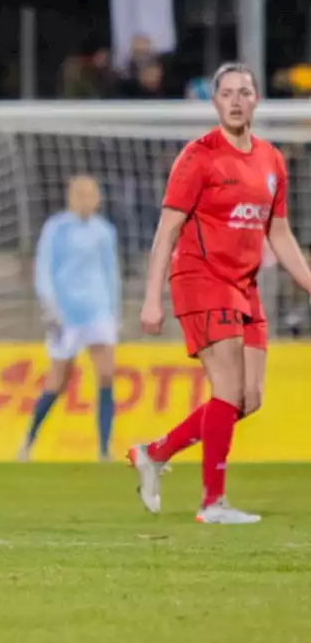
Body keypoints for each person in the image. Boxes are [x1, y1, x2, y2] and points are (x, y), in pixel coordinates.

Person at [129, 62, 311, 524]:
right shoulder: (198, 157)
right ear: (214, 102)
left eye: (244, 91)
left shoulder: (271, 160)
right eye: (226, 92)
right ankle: (212, 504)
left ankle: (155, 452)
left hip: (244, 286)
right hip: (200, 278)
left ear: (256, 100)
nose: (235, 99)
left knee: (249, 398)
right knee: (227, 386)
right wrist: (152, 299)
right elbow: (166, 231)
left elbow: (281, 233)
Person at [18, 175, 121, 461]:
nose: (87, 200)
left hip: (98, 311)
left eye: (92, 194)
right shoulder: (56, 229)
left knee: (106, 374)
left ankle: (103, 450)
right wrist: (51, 309)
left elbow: (110, 273)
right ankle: (28, 440)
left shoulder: (104, 231)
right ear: (71, 197)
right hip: (66, 315)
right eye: (81, 194)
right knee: (57, 381)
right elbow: (44, 269)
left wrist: (114, 312)